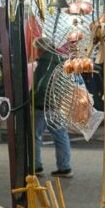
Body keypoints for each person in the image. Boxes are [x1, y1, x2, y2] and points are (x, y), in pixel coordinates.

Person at [32, 37, 72, 177]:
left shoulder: (44, 63)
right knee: (61, 136)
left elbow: (42, 85)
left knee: (35, 136)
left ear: (41, 49)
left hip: (43, 105)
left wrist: (33, 97)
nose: (36, 52)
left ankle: (36, 166)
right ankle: (65, 167)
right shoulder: (61, 61)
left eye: (37, 49)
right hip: (58, 105)